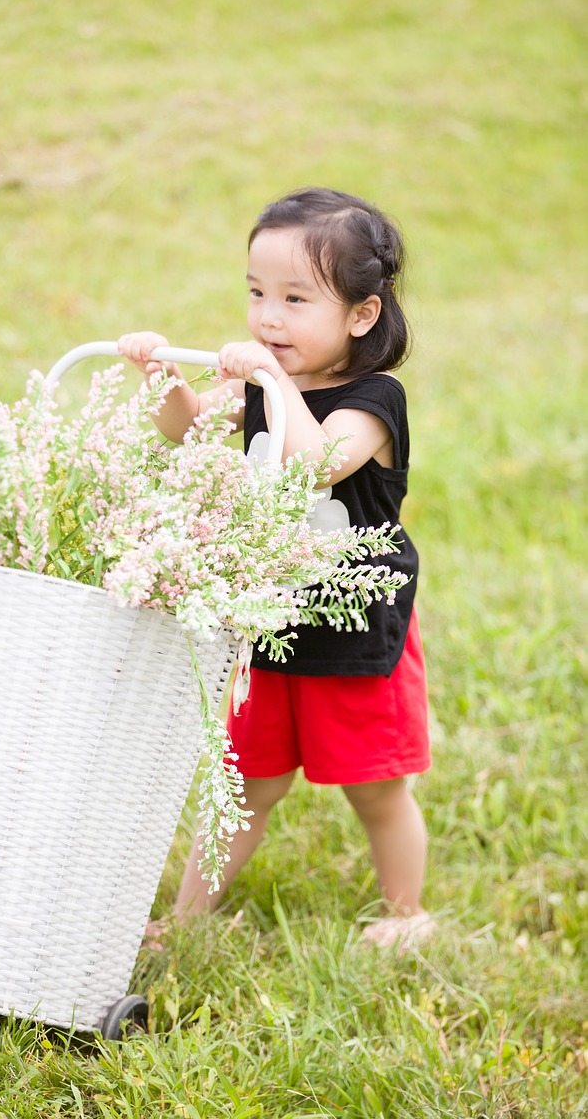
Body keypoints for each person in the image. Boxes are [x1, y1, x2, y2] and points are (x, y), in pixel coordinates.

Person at [118, 186, 433, 952]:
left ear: (360, 315)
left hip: (359, 626)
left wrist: (272, 380)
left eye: (295, 298)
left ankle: (406, 915)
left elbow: (313, 463)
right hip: (271, 620)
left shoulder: (370, 401)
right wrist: (162, 375)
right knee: (247, 778)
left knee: (375, 785)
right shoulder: (261, 383)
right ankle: (187, 920)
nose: (268, 316)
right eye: (257, 293)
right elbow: (187, 432)